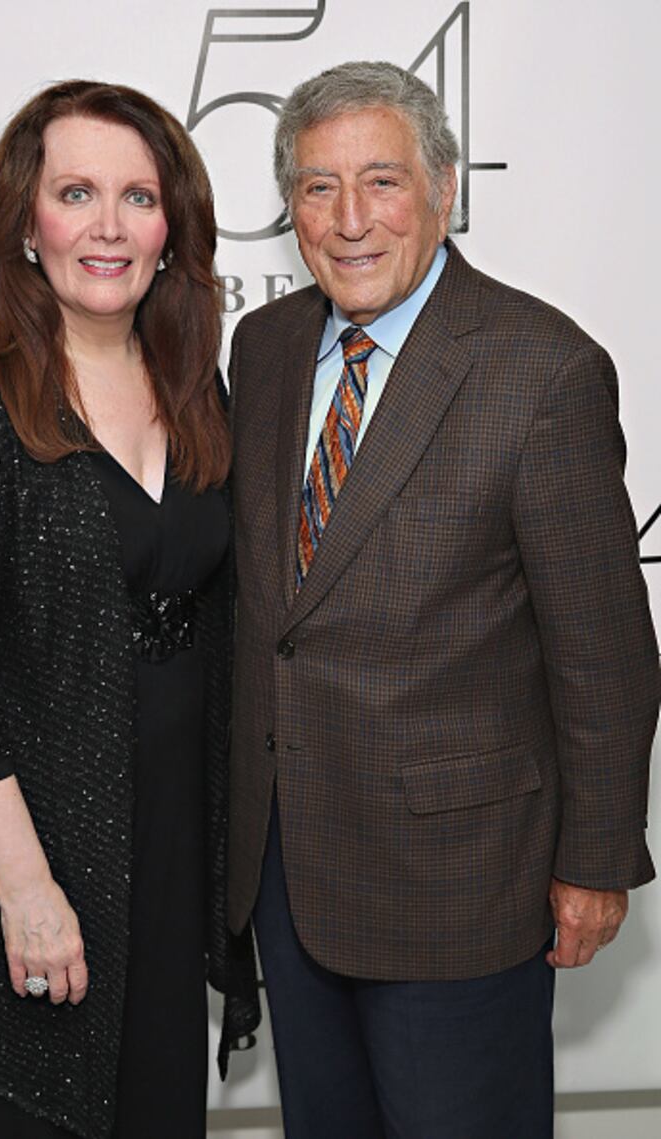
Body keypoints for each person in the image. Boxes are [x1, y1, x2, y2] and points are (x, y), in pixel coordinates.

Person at [227, 60, 658, 1139]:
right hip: (289, 867)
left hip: (459, 880)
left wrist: (595, 860)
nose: (350, 219)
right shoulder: (263, 348)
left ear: (444, 189)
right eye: (318, 187)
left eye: (381, 181)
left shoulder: (541, 370)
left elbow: (603, 652)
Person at [0, 79, 258, 1139]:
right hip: (31, 858)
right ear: (26, 223)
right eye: (75, 193)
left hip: (168, 848)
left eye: (138, 198)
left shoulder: (194, 387)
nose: (108, 226)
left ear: (170, 230)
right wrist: (26, 887)